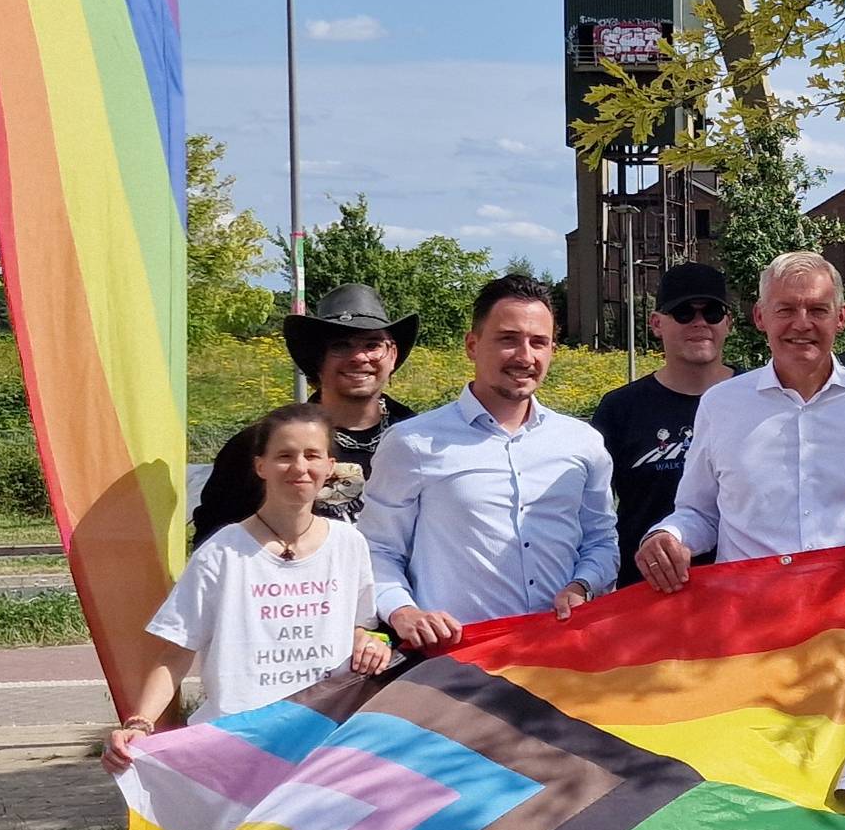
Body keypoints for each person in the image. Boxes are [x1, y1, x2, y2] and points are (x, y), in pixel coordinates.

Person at [103, 405, 391, 770]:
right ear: (261, 466)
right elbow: (175, 654)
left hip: (320, 745)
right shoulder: (223, 551)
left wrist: (371, 642)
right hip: (237, 748)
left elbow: (359, 626)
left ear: (330, 466)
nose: (300, 467)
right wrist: (140, 724)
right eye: (284, 456)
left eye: (312, 455)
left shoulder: (349, 543)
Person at [635, 252, 845, 591]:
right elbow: (700, 512)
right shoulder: (721, 404)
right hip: (750, 616)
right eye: (785, 310)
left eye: (817, 310)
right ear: (760, 316)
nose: (802, 324)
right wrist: (668, 536)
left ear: (841, 317)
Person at [362, 275, 618, 649]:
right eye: (508, 339)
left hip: (561, 654)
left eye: (539, 342)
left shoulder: (583, 443)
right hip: (459, 663)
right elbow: (377, 549)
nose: (524, 356)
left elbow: (600, 540)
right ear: (472, 345)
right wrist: (403, 612)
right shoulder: (413, 443)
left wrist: (584, 584)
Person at [190, 285, 419, 544]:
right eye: (341, 346)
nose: (359, 357)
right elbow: (217, 543)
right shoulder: (263, 445)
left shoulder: (424, 441)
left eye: (373, 344)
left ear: (392, 355)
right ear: (316, 359)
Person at [591, 263, 740, 585]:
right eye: (684, 312)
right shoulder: (620, 409)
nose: (699, 323)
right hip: (647, 599)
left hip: (739, 596)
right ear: (656, 324)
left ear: (728, 322)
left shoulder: (759, 398)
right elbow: (591, 517)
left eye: (712, 312)